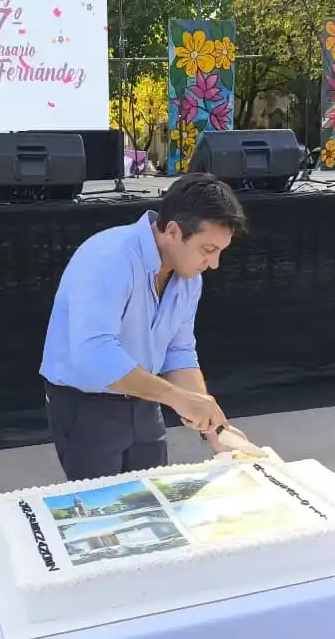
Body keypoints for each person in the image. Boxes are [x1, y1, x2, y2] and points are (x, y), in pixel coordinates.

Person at [39, 173, 249, 480]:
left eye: (220, 251)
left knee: (152, 495)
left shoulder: (188, 278)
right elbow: (95, 354)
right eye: (208, 250)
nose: (214, 264)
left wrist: (215, 429)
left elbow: (178, 351)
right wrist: (178, 398)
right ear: (173, 231)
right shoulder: (109, 258)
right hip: (86, 404)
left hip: (148, 396)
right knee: (103, 503)